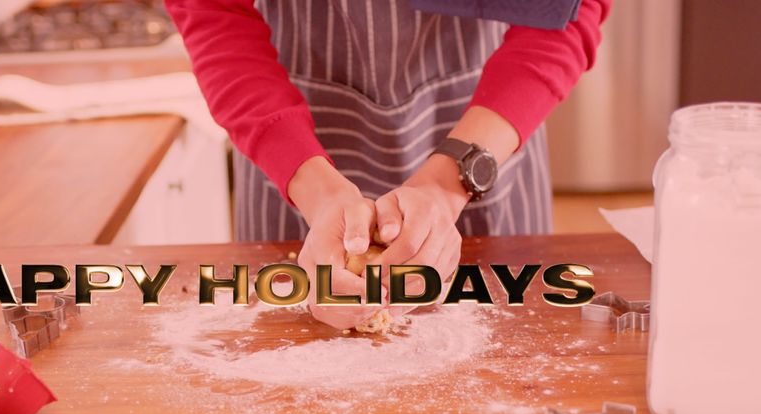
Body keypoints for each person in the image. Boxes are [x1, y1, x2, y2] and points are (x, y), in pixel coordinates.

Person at [166, 0, 611, 328]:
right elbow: (213, 13)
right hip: (287, 137)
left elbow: (569, 10)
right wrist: (315, 189)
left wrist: (450, 180)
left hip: (487, 124)